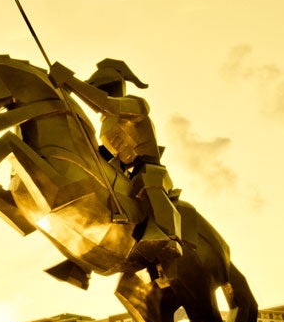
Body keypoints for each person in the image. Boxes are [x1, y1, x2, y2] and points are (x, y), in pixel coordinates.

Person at [49, 59, 183, 263]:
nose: (97, 93)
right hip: (121, 171)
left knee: (148, 184)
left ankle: (169, 239)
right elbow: (104, 151)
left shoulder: (136, 105)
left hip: (146, 167)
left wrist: (70, 82)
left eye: (101, 88)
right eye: (96, 89)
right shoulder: (106, 123)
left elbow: (106, 104)